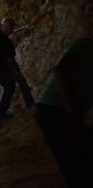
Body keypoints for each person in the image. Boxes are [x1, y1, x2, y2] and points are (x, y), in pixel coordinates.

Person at [35, 38, 93, 187]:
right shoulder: (85, 44)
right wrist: (71, 109)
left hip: (67, 110)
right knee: (73, 162)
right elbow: (59, 70)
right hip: (52, 108)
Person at [1, 17, 34, 108]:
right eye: (6, 27)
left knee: (12, 86)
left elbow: (11, 57)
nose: (7, 30)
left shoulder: (6, 38)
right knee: (18, 84)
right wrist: (15, 69)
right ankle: (29, 103)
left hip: (5, 65)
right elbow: (9, 58)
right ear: (3, 26)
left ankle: (1, 111)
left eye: (9, 28)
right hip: (4, 65)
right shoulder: (3, 39)